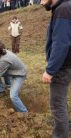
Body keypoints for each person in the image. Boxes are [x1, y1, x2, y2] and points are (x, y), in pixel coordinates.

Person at [41, 0, 71, 137]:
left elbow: (61, 43)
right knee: (61, 101)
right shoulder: (65, 7)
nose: (41, 2)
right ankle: (66, 126)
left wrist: (50, 70)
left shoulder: (62, 10)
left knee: (57, 104)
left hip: (62, 67)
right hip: (65, 64)